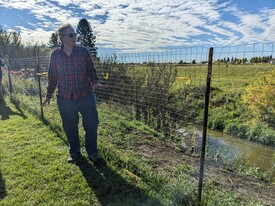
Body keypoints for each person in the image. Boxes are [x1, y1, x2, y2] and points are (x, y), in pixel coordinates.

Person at [42, 23, 102, 163]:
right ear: (61, 38)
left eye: (75, 34)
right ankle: (74, 153)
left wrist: (95, 82)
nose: (74, 37)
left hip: (85, 95)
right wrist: (48, 96)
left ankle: (92, 152)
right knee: (70, 127)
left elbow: (91, 70)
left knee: (92, 125)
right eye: (71, 35)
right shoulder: (55, 56)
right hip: (65, 98)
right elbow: (52, 78)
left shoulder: (83, 51)